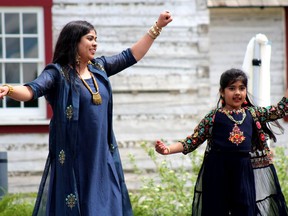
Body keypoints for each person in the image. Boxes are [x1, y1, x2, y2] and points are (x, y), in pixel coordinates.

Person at [0, 11, 172, 216]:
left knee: (108, 205)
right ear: (74, 42)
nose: (95, 44)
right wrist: (9, 89)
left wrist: (157, 27)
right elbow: (32, 90)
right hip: (75, 159)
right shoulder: (57, 73)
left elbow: (131, 55)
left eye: (96, 39)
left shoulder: (99, 67)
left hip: (102, 156)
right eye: (90, 39)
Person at [155, 68, 288, 216]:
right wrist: (167, 150)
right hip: (217, 172)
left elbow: (280, 110)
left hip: (243, 173)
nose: (237, 92)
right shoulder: (213, 117)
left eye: (242, 88)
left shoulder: (253, 114)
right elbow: (192, 141)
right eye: (232, 88)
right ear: (222, 92)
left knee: (245, 211)